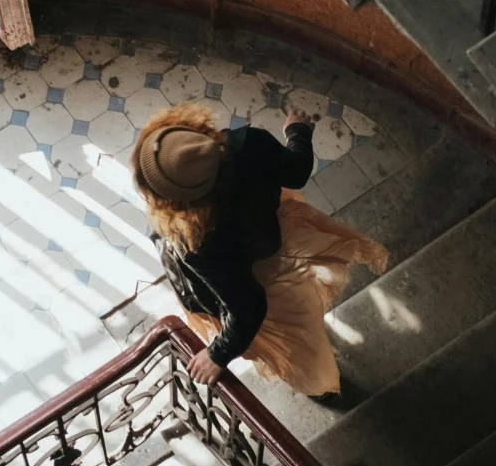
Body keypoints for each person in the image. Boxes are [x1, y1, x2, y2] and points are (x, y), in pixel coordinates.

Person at [131, 101, 389, 398]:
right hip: (264, 239)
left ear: (178, 203)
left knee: (288, 339)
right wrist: (298, 132)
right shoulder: (251, 143)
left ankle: (320, 387)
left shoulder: (195, 241)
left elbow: (249, 308)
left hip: (241, 274)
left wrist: (218, 353)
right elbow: (297, 171)